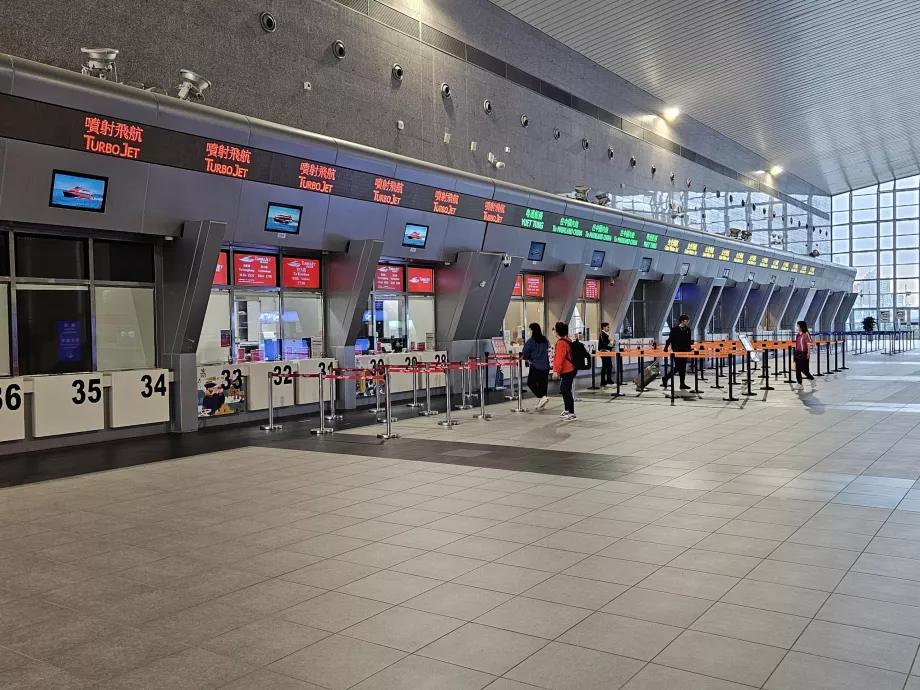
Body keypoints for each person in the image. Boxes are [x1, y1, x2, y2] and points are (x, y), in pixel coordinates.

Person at [521, 323, 550, 410]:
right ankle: (541, 403)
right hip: (545, 366)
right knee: (543, 385)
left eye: (529, 330)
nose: (529, 332)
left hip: (536, 365)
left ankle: (542, 397)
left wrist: (527, 358)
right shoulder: (544, 340)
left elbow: (525, 352)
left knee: (531, 383)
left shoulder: (531, 341)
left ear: (532, 330)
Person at [551, 322, 577, 421]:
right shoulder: (567, 340)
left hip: (567, 369)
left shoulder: (561, 343)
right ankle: (567, 410)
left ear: (556, 332)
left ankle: (571, 413)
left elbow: (559, 358)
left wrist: (556, 371)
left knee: (565, 390)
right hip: (571, 368)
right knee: (564, 389)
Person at [662, 314, 693, 390]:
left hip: (685, 350)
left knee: (682, 368)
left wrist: (689, 348)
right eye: (686, 321)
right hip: (677, 350)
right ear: (682, 321)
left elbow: (688, 340)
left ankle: (682, 383)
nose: (687, 322)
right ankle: (666, 378)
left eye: (688, 321)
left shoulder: (688, 329)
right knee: (678, 367)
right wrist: (666, 347)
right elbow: (670, 339)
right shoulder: (675, 329)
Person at [794, 320, 816, 386]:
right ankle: (799, 383)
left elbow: (809, 343)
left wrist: (808, 353)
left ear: (801, 326)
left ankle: (812, 379)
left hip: (804, 353)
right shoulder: (798, 335)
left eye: (798, 325)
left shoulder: (806, 334)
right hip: (797, 353)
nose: (797, 327)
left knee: (804, 369)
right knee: (797, 369)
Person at [598, 322, 614, 387]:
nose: (608, 328)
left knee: (607, 366)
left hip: (606, 351)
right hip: (604, 351)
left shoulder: (605, 334)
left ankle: (606, 380)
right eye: (607, 327)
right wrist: (611, 343)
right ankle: (605, 380)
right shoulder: (603, 334)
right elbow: (606, 343)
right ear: (603, 327)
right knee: (607, 366)